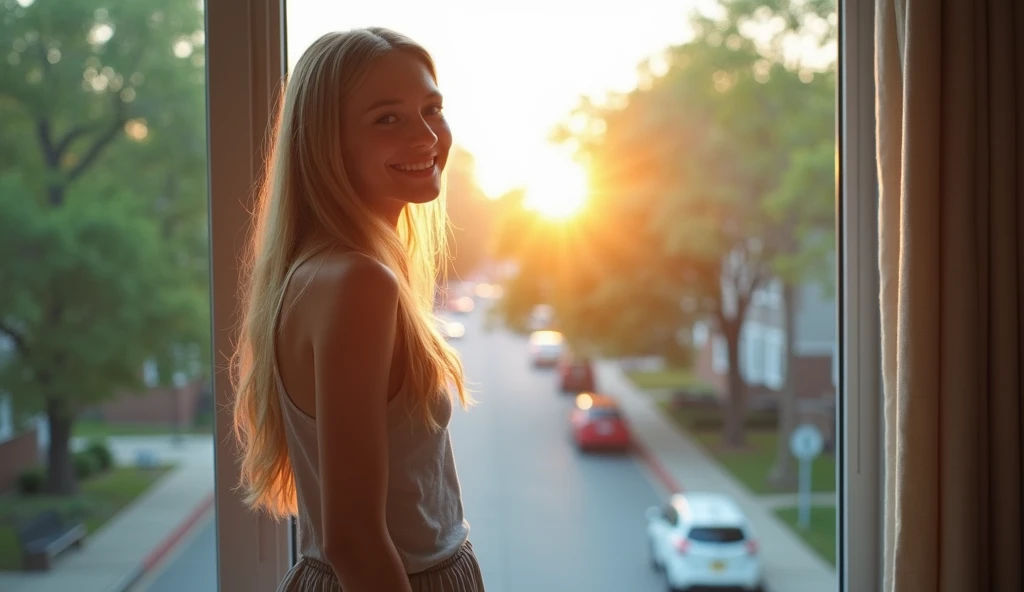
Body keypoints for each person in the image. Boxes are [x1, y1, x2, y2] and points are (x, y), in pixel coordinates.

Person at [230, 27, 485, 592]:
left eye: (432, 108)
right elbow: (353, 540)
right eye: (387, 119)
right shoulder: (357, 282)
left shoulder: (319, 271)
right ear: (328, 143)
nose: (426, 136)